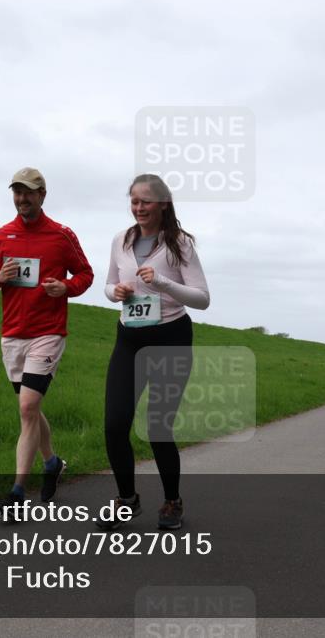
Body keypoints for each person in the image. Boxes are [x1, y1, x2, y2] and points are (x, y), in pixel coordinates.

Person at [0, 167, 94, 516]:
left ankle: (16, 493)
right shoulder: (1, 236)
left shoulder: (61, 235)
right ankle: (52, 462)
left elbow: (85, 274)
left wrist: (66, 288)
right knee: (31, 409)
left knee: (27, 408)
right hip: (12, 335)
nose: (22, 199)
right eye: (17, 192)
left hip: (48, 332)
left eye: (28, 192)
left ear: (43, 195)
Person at [98, 174, 210, 531]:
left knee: (158, 426)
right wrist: (116, 292)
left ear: (163, 203)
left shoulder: (180, 243)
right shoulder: (121, 239)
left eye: (145, 201)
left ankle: (172, 500)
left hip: (170, 338)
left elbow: (202, 299)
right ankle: (127, 499)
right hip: (129, 338)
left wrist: (161, 282)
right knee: (115, 424)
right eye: (134, 201)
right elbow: (109, 283)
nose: (139, 208)